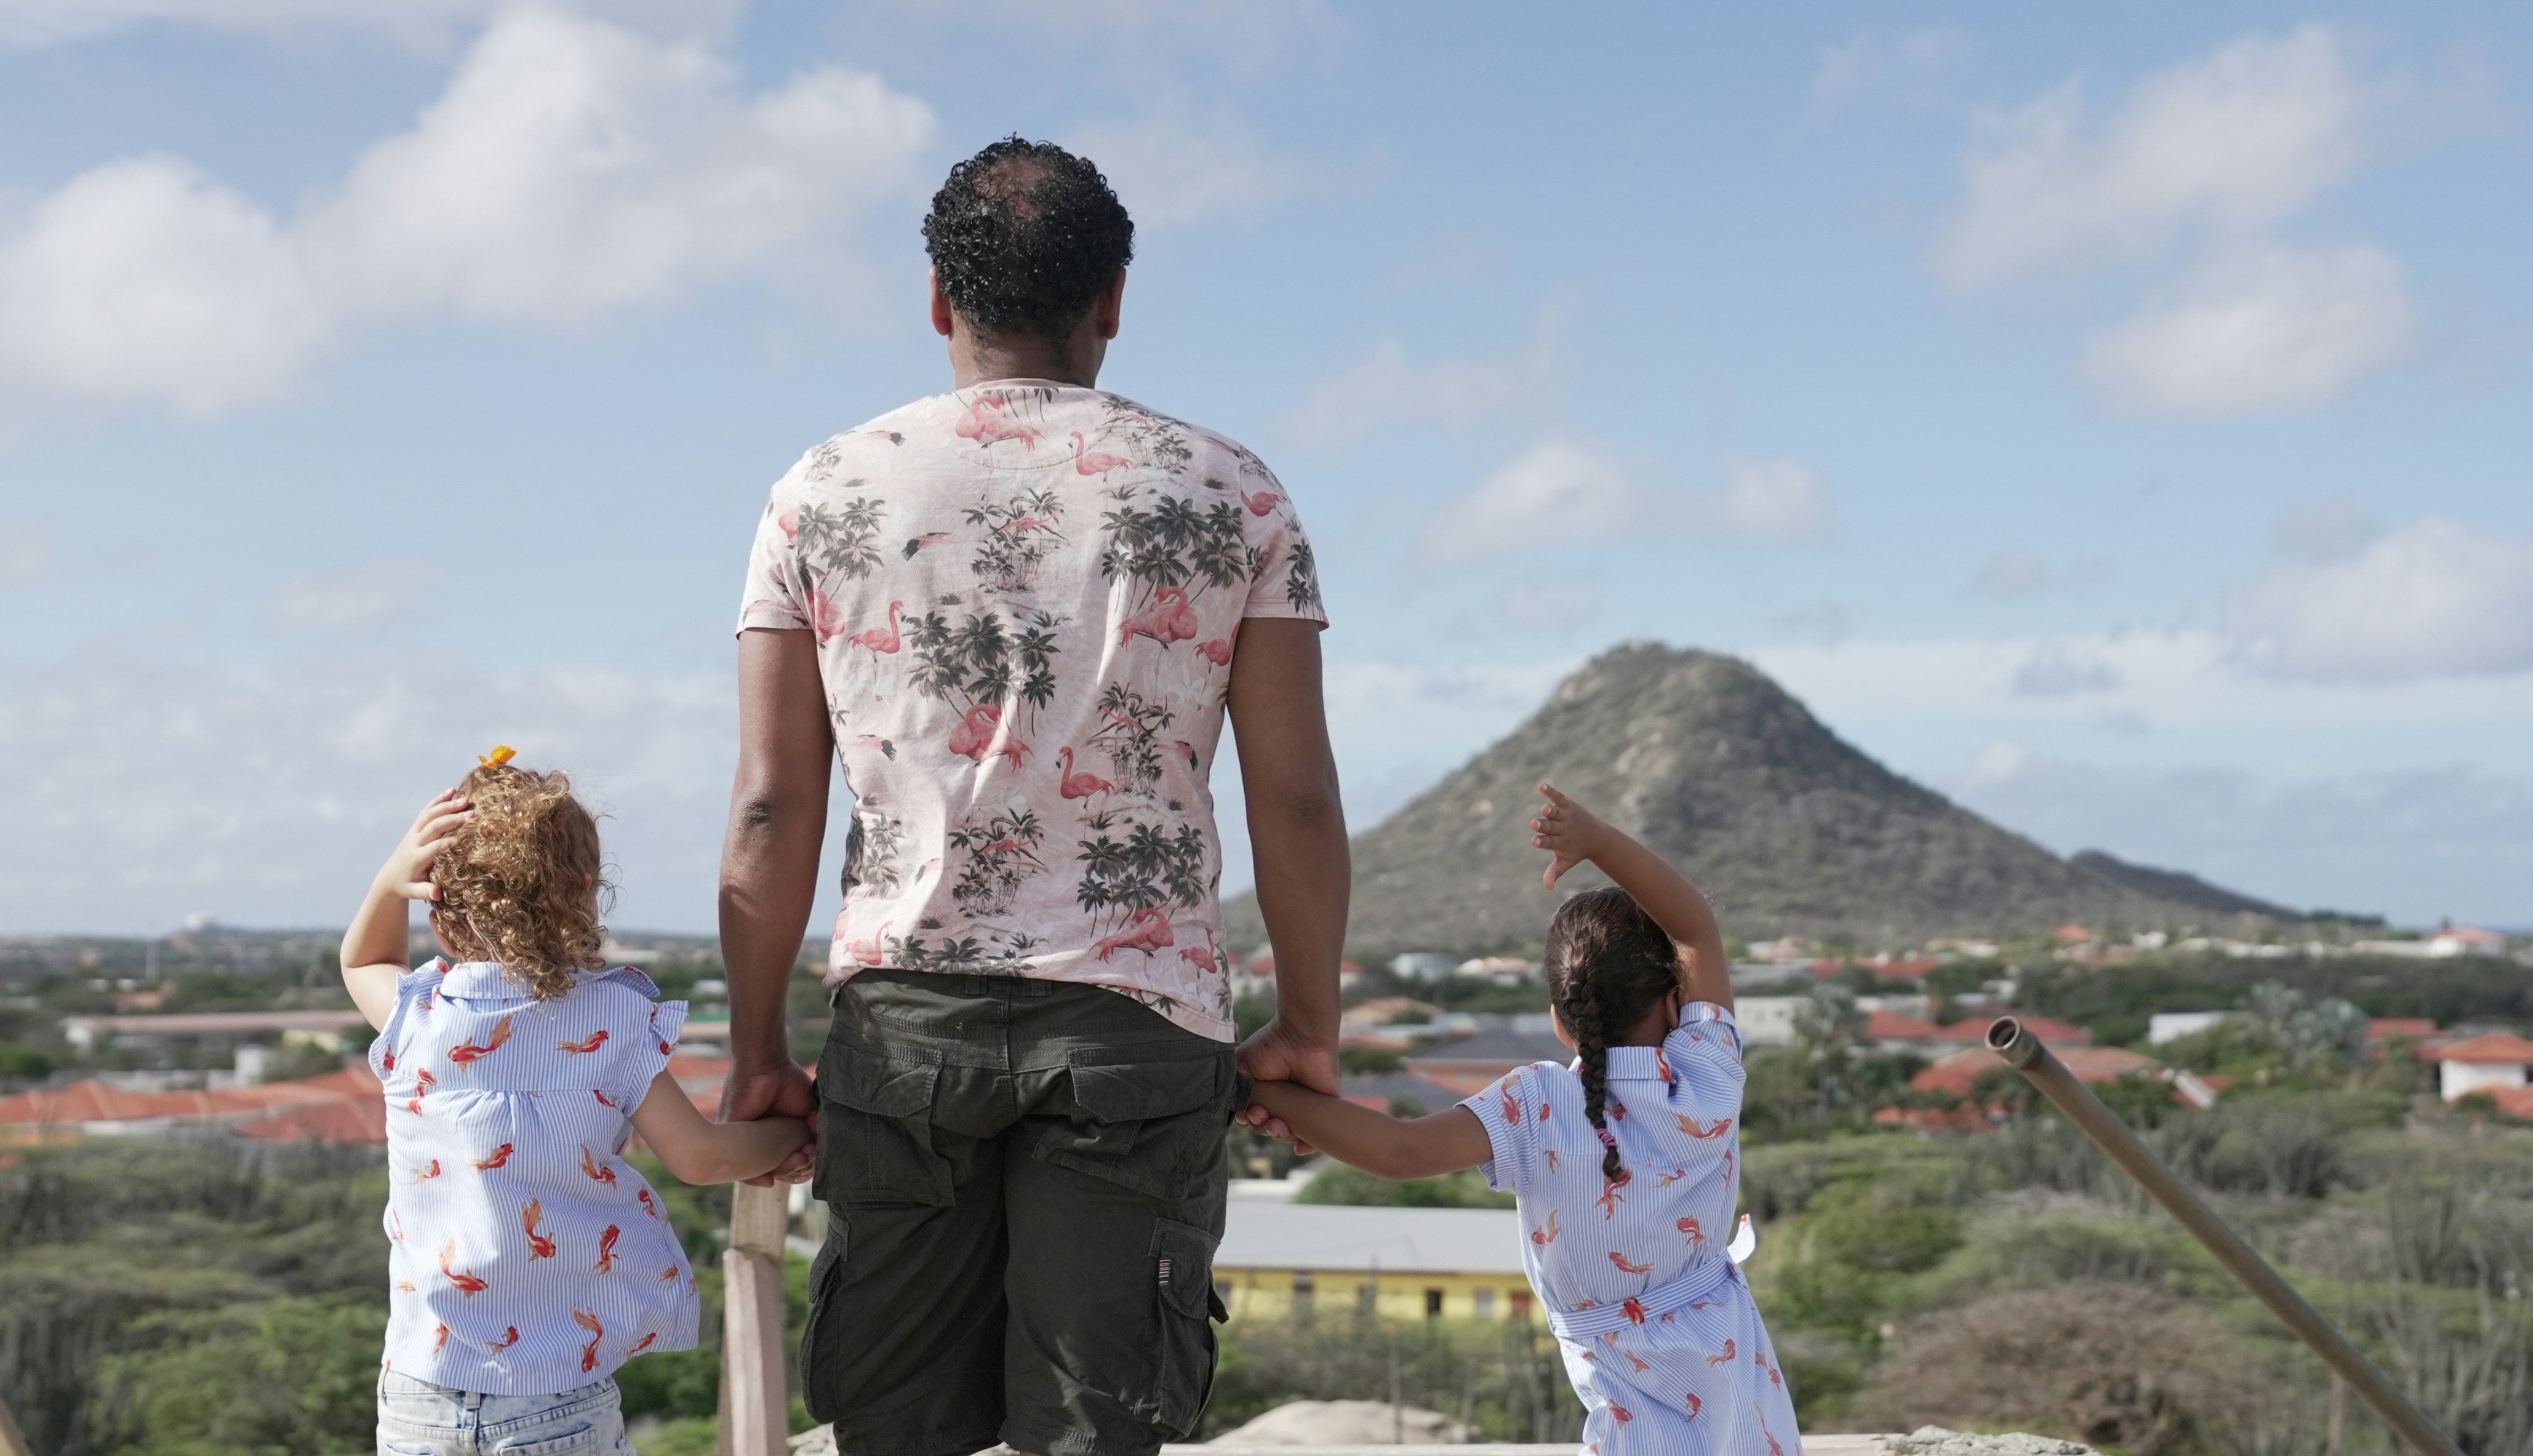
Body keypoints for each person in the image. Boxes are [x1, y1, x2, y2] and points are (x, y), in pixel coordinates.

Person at [717, 136, 1349, 1455]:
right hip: (1137, 1031)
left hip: (904, 1036)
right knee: (1096, 1430)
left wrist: (759, 1052)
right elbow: (1291, 800)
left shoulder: (819, 493)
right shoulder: (1229, 492)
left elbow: (774, 808)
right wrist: (1307, 1023)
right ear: (1113, 299)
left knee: (894, 1427)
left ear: (940, 299)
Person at [1243, 785, 1802, 1456]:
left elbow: (1397, 1150)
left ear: (1561, 1022)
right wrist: (1596, 841)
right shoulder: (1707, 1073)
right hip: (1742, 1392)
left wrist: (1249, 1085)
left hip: (1632, 1417)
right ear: (1677, 1001)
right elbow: (1695, 928)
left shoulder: (1534, 1104)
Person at [341, 750, 811, 1456]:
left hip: (418, 1394)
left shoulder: (421, 1023)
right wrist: (791, 1137)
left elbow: (360, 959)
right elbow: (701, 1156)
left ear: (437, 913)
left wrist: (389, 879)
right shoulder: (608, 1025)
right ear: (588, 898)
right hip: (555, 1392)